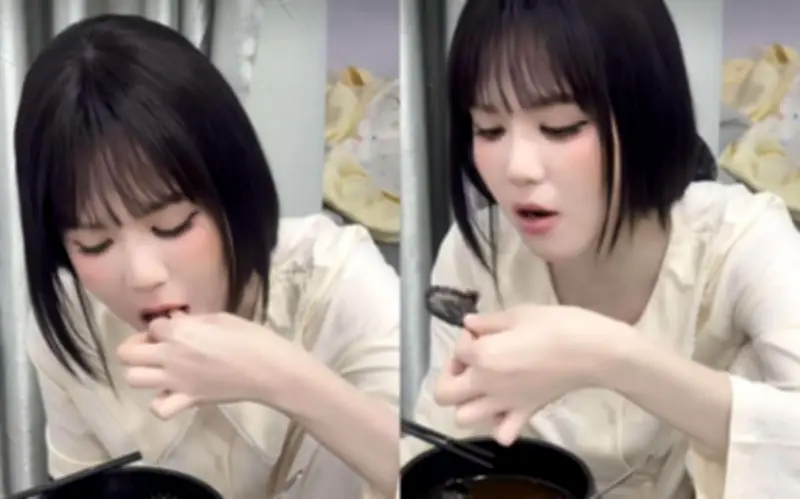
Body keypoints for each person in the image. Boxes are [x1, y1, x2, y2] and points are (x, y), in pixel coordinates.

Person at [402, 0, 800, 497]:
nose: (518, 168)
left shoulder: (742, 241)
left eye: (560, 127)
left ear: (647, 116)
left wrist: (609, 357)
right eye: (489, 129)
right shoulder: (477, 253)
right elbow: (437, 452)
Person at [15, 14, 398, 499]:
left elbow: (430, 470)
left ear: (234, 192)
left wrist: (280, 377)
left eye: (172, 226)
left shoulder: (340, 284)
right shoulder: (75, 325)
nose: (143, 275)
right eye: (95, 244)